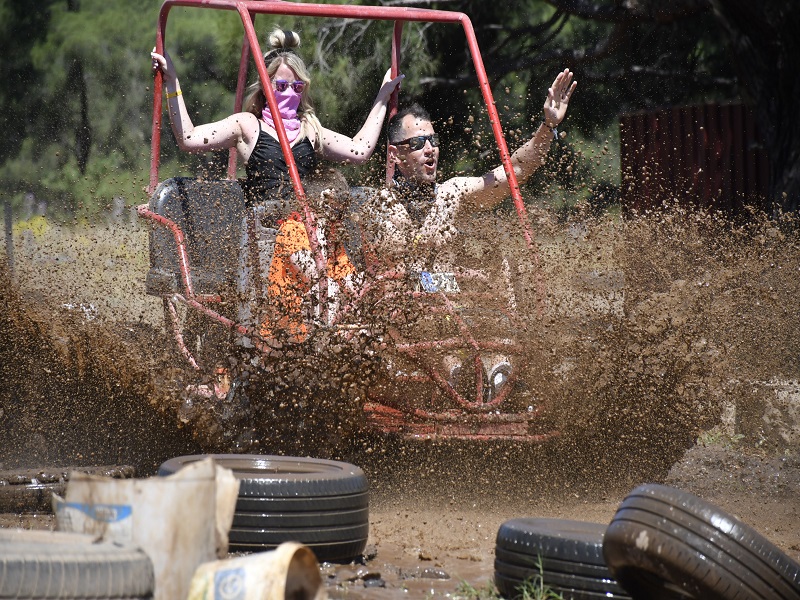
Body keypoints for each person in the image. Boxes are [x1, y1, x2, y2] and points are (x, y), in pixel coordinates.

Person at [150, 28, 404, 344]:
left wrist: (382, 96)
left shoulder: (311, 129)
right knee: (311, 270)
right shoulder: (247, 124)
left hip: (307, 228)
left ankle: (346, 336)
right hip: (264, 231)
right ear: (266, 87)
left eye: (297, 86)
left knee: (343, 273)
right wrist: (173, 81)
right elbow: (188, 138)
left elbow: (360, 150)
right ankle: (286, 337)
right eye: (281, 86)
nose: (289, 93)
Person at [362, 69, 577, 398]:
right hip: (412, 326)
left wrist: (547, 127)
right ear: (396, 155)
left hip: (461, 313)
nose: (430, 149)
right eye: (417, 143)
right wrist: (453, 280)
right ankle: (465, 378)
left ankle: (501, 375)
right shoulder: (382, 208)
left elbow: (514, 170)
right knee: (439, 311)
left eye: (433, 140)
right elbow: (396, 281)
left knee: (496, 269)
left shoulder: (452, 193)